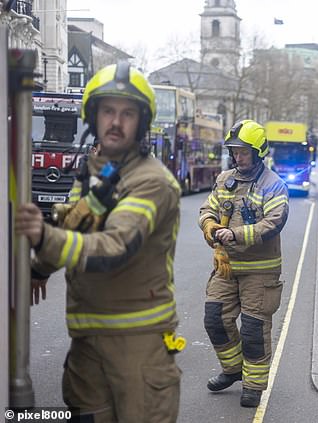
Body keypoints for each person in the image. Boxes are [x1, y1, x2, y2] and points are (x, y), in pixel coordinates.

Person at [15, 62, 183, 422]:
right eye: (108, 110)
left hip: (137, 347)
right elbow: (78, 225)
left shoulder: (152, 182)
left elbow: (115, 247)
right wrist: (39, 268)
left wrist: (44, 236)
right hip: (87, 345)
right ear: (93, 116)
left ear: (142, 123)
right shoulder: (97, 171)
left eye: (127, 113)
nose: (116, 122)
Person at [199, 119, 289, 408]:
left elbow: (273, 223)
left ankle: (253, 385)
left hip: (259, 273)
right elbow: (207, 208)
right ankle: (233, 369)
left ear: (258, 152)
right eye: (234, 152)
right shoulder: (225, 179)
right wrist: (210, 225)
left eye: (243, 152)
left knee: (253, 330)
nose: (238, 157)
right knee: (215, 319)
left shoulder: (274, 185)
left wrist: (234, 234)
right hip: (226, 267)